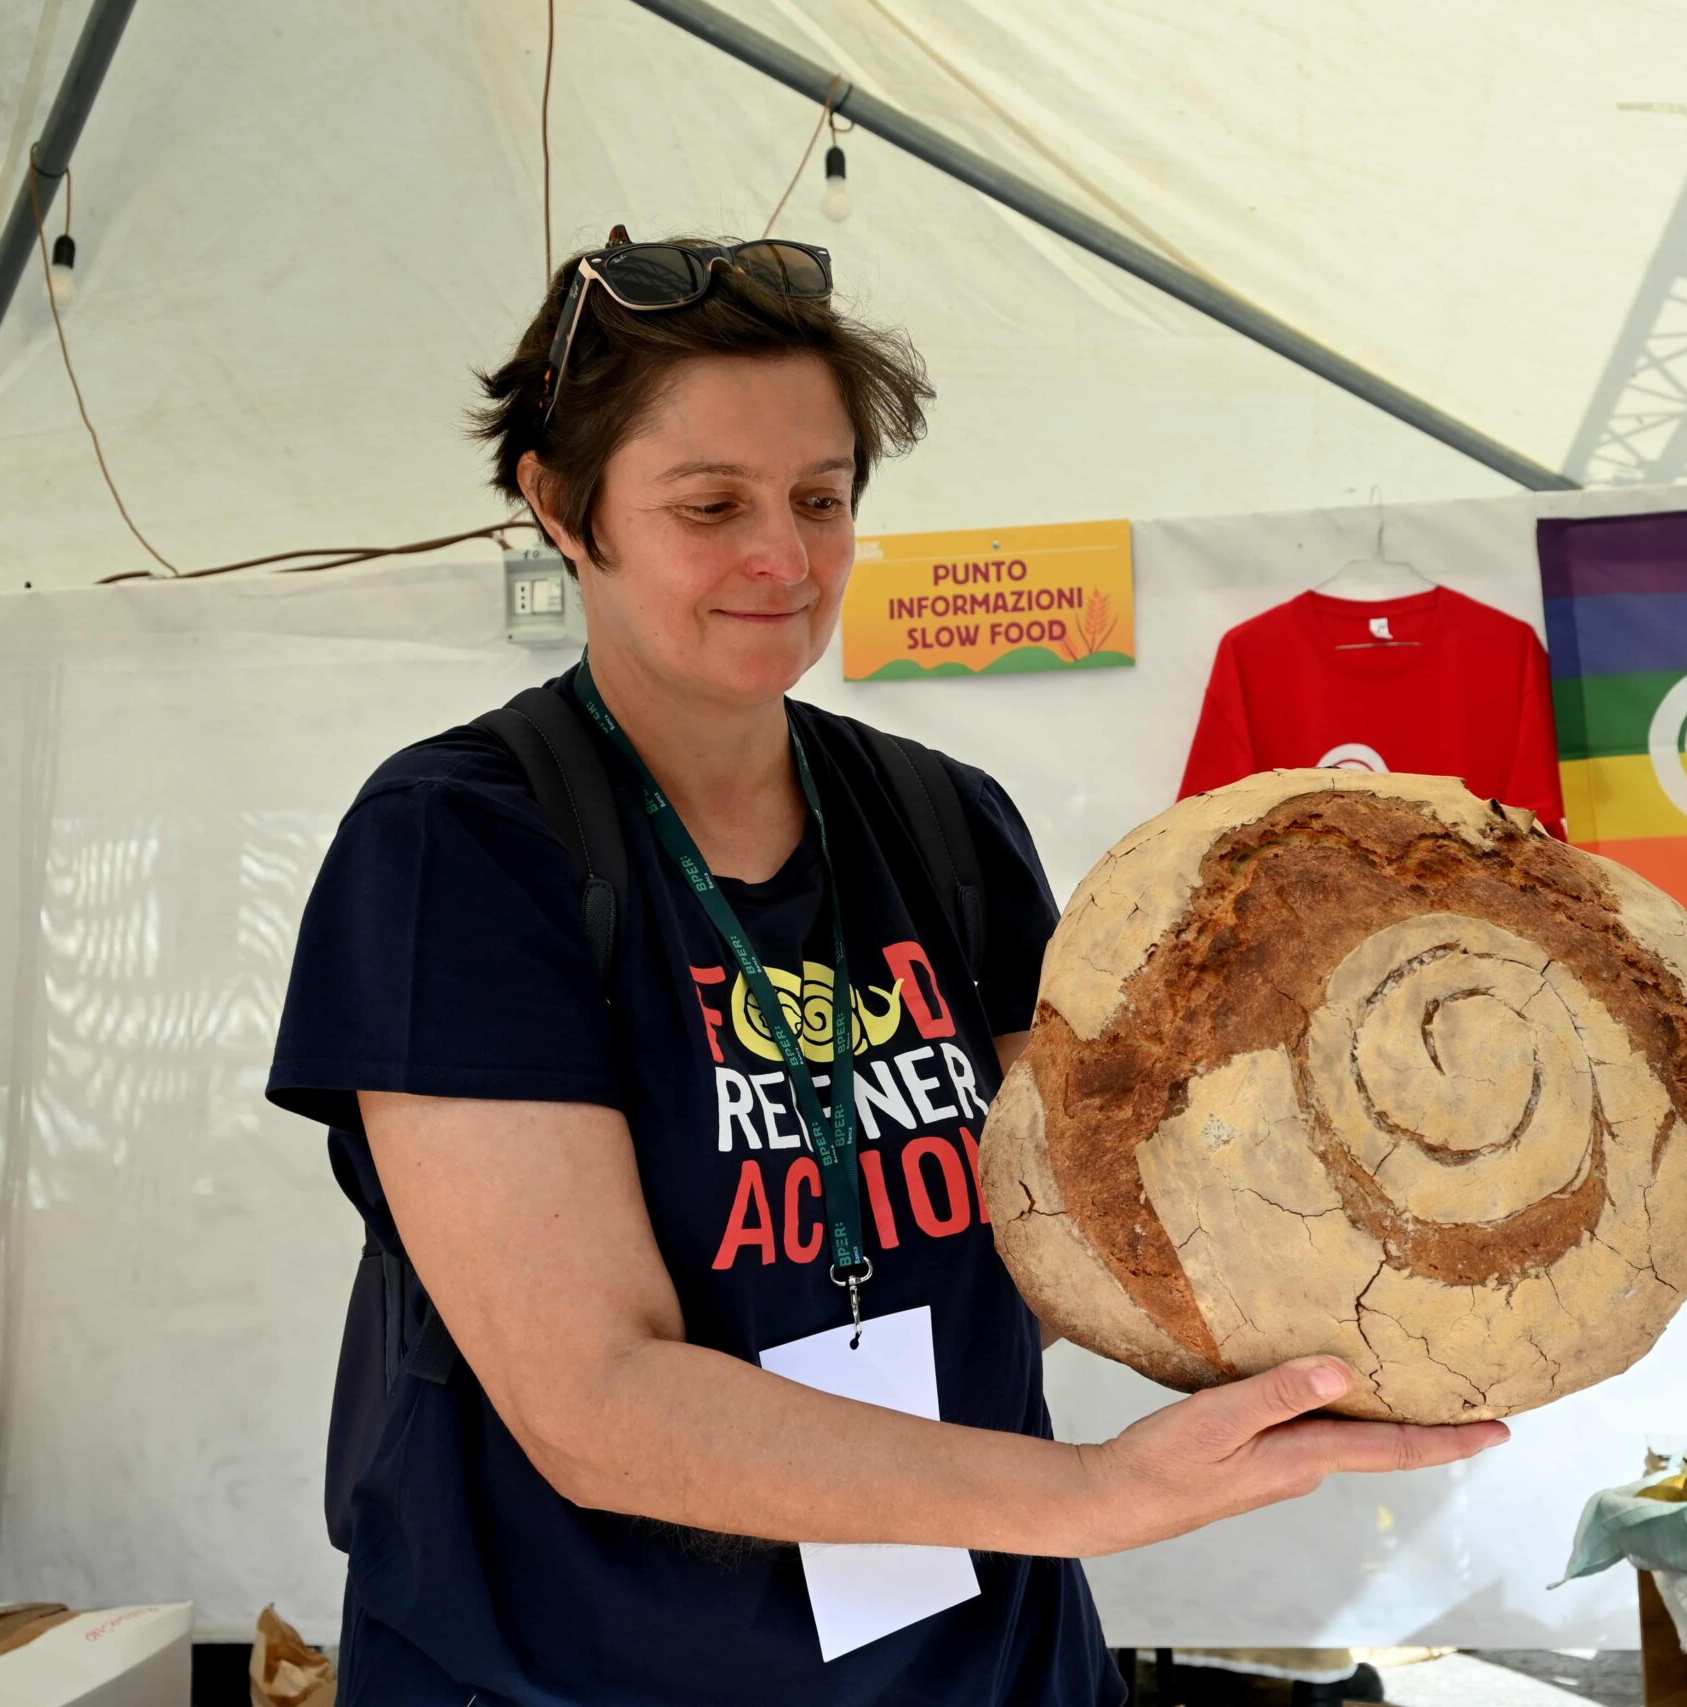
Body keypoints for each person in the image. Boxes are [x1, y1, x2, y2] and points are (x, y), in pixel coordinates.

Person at [266, 230, 1510, 1706]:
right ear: (559, 505)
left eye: (822, 498)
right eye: (711, 506)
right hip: (594, 1674)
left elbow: (1070, 1231)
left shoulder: (941, 821)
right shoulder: (460, 844)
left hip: (981, 1661)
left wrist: (1366, 1284)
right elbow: (593, 1401)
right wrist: (1099, 1494)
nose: (784, 560)